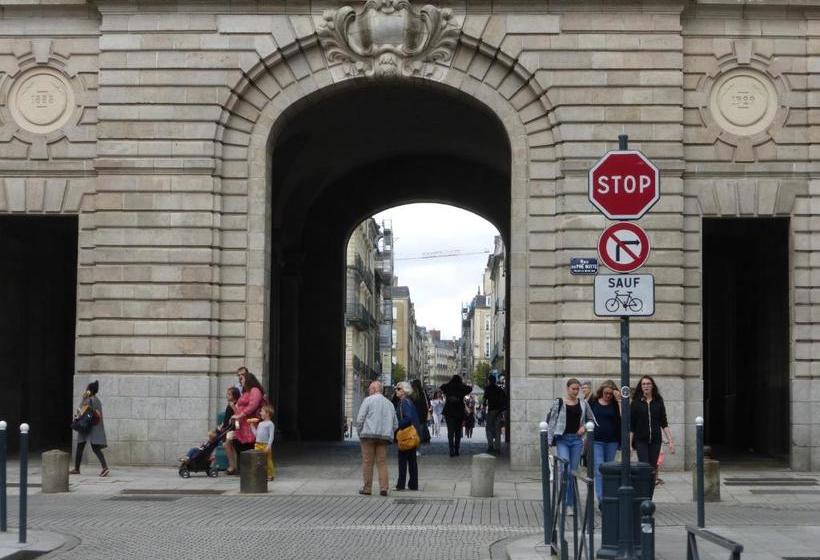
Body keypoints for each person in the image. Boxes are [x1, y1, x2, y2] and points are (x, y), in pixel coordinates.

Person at [545, 378, 596, 508]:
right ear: (567, 389)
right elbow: (551, 421)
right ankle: (564, 500)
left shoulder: (583, 403)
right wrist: (548, 441)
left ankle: (569, 503)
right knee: (565, 470)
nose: (575, 391)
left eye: (577, 389)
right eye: (573, 389)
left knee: (572, 472)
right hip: (563, 440)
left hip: (576, 441)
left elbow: (592, 420)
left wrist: (584, 427)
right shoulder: (559, 402)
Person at [630, 375, 675, 492]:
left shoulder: (658, 401)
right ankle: (642, 495)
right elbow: (632, 426)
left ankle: (649, 498)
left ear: (652, 386)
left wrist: (670, 441)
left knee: (652, 469)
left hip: (655, 440)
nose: (646, 386)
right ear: (641, 387)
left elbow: (664, 423)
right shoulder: (636, 403)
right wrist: (629, 444)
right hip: (641, 440)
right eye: (643, 384)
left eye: (648, 384)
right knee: (644, 467)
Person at [356, 381, 398, 496]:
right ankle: (383, 488)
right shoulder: (389, 403)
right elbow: (395, 424)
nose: (369, 391)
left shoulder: (368, 401)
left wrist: (360, 433)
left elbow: (360, 419)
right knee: (382, 462)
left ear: (374, 389)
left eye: (370, 389)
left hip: (368, 436)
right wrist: (388, 432)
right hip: (383, 438)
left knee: (367, 462)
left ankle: (367, 488)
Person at [224, 370, 265, 475]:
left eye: (242, 379)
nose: (240, 381)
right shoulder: (246, 391)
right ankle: (242, 468)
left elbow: (252, 406)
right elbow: (240, 405)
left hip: (249, 423)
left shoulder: (255, 390)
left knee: (247, 445)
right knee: (237, 443)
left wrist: (239, 415)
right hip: (241, 423)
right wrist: (234, 415)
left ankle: (248, 469)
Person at [588, 380, 620, 502]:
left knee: (609, 471)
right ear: (601, 391)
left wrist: (619, 400)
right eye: (606, 393)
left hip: (612, 441)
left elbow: (624, 418)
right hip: (597, 441)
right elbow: (587, 417)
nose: (608, 396)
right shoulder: (594, 402)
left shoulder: (616, 404)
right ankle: (602, 500)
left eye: (611, 394)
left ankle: (608, 497)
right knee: (599, 469)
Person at [69, 380, 110, 477]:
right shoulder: (97, 400)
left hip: (86, 426)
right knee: (93, 448)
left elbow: (80, 411)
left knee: (82, 447)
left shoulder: (89, 400)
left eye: (87, 389)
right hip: (92, 426)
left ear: (89, 390)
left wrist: (83, 399)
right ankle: (103, 467)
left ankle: (103, 468)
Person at [394, 381, 421, 491]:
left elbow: (408, 418)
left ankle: (401, 485)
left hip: (406, 435)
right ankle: (413, 484)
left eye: (398, 388)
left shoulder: (404, 402)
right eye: (396, 388)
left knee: (403, 460)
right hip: (411, 435)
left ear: (404, 391)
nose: (396, 390)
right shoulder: (409, 402)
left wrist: (397, 425)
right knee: (412, 461)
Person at [440, 374, 472, 457]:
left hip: (449, 411)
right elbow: (469, 388)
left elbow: (442, 386)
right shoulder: (461, 388)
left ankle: (451, 450)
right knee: (458, 431)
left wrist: (450, 386)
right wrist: (462, 384)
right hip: (459, 411)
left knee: (450, 432)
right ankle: (457, 449)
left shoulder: (448, 387)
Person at [482, 374, 507, 454]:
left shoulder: (488, 388)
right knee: (497, 429)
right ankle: (497, 447)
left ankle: (490, 446)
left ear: (489, 381)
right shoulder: (499, 389)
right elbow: (505, 399)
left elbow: (485, 400)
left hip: (492, 410)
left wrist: (484, 407)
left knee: (488, 428)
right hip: (499, 411)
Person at [250, 403, 275, 481]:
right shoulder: (260, 423)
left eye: (262, 411)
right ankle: (259, 474)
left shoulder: (270, 424)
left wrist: (269, 445)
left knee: (268, 460)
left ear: (267, 413)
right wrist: (252, 427)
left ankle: (270, 474)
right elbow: (256, 434)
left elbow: (271, 436)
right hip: (258, 444)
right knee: (257, 459)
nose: (260, 413)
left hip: (265, 445)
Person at [410, 379, 431, 447]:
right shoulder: (423, 393)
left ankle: (416, 440)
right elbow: (428, 403)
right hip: (422, 414)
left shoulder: (411, 394)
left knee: (415, 428)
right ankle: (422, 439)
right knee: (422, 427)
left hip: (413, 414)